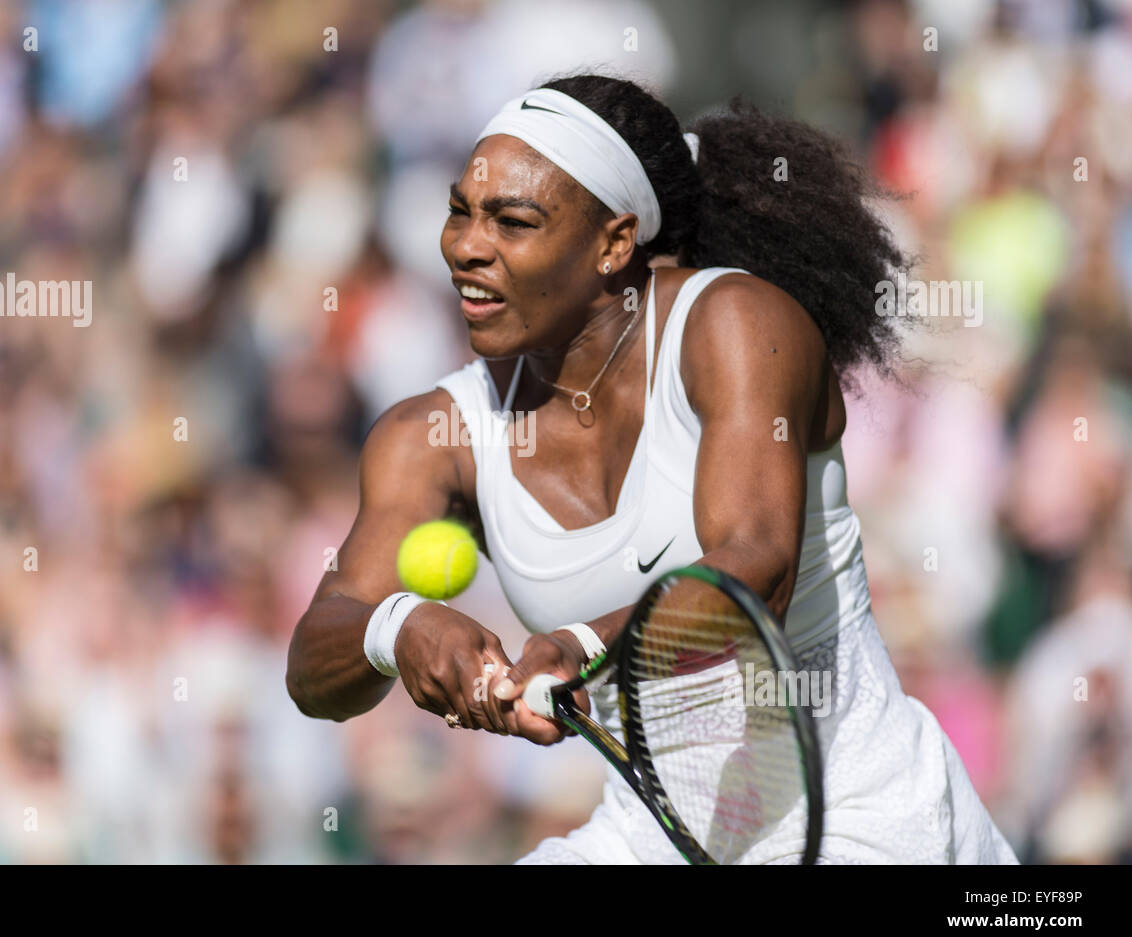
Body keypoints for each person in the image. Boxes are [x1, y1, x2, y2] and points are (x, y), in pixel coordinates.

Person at [287, 73, 1018, 864]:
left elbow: (750, 573)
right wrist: (398, 628)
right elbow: (315, 660)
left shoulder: (738, 324)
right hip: (649, 833)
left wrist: (579, 644)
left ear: (614, 242)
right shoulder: (430, 433)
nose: (466, 244)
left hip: (860, 814)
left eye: (512, 220)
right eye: (460, 209)